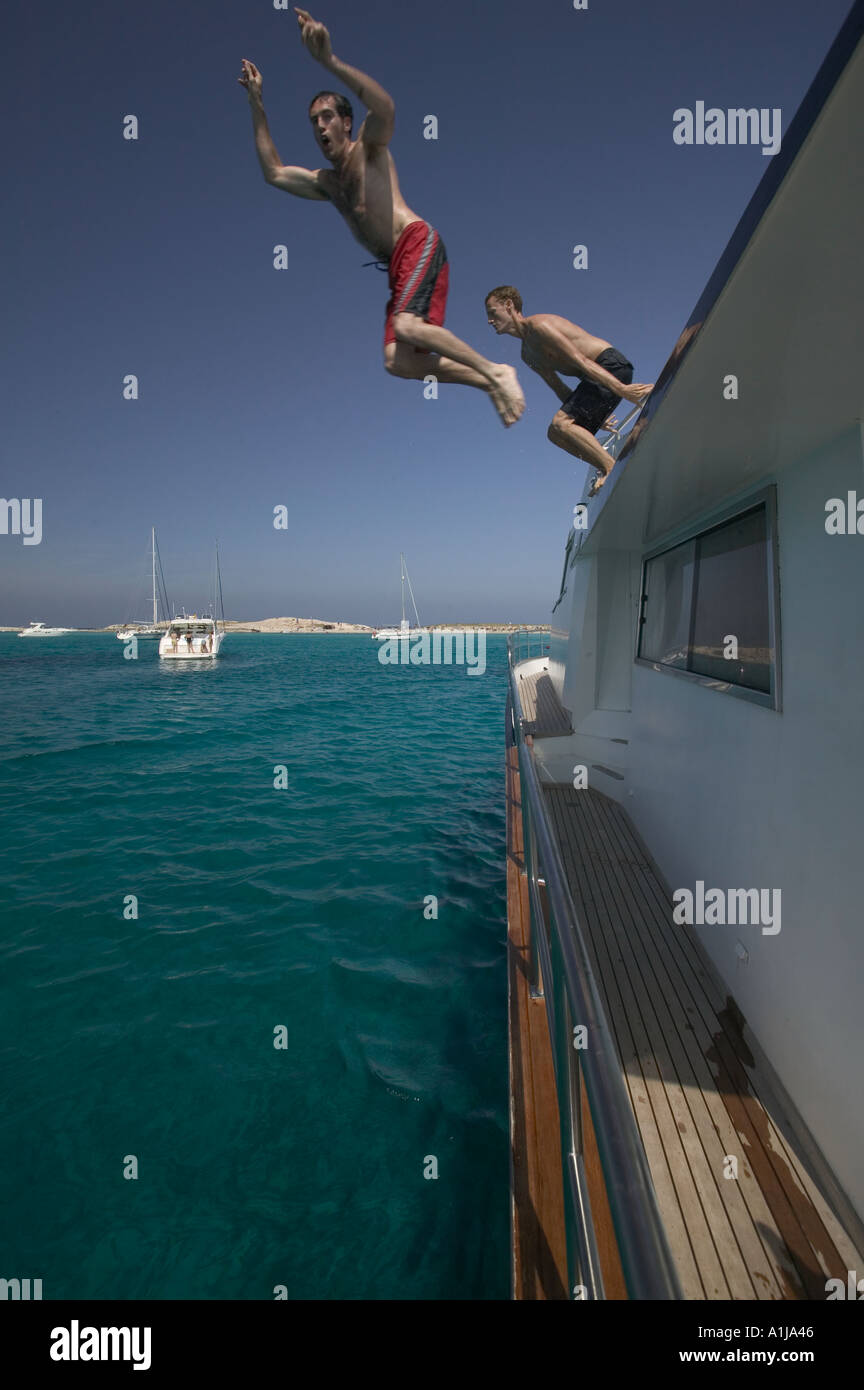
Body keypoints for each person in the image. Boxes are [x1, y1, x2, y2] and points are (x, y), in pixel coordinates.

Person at [238, 10, 525, 427]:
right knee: (397, 360)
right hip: (397, 266)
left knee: (406, 326)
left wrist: (329, 61)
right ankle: (491, 380)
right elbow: (274, 173)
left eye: (327, 117)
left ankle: (494, 370)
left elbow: (386, 107)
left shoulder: (367, 149)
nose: (320, 127)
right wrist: (256, 104)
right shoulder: (327, 182)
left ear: (347, 122)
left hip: (416, 240)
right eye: (313, 122)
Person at [485, 286, 654, 495]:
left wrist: (622, 389)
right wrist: (590, 417)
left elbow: (581, 361)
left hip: (611, 367)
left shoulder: (539, 326)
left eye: (492, 312)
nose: (490, 320)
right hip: (594, 381)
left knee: (560, 423)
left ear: (509, 305)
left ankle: (610, 466)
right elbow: (559, 388)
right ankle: (606, 466)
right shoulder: (526, 355)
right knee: (555, 434)